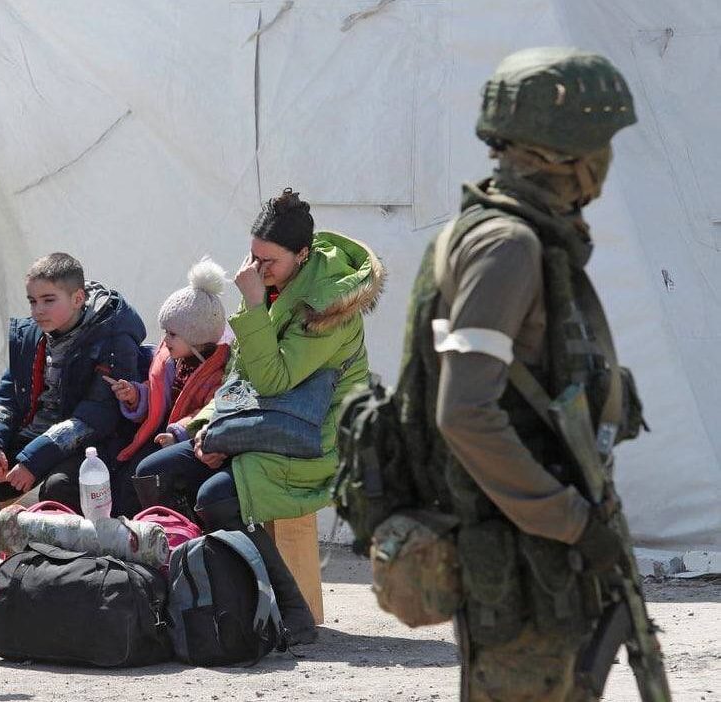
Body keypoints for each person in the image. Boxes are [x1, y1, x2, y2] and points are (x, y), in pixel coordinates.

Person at [396, 48, 649, 700]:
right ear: (570, 153)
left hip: (531, 561)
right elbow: (464, 413)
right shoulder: (507, 244)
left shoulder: (507, 233)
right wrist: (570, 520)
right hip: (518, 568)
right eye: (603, 144)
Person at [136, 189, 382, 645]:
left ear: (302, 255)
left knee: (217, 499)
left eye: (268, 260)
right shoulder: (275, 288)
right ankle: (204, 597)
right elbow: (240, 381)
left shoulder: (329, 307)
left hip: (316, 441)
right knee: (153, 475)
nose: (255, 269)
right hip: (260, 424)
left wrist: (251, 307)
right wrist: (190, 427)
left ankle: (291, 611)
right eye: (252, 256)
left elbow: (272, 380)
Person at [0, 253, 145, 621]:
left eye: (49, 300)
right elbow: (7, 396)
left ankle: (55, 582)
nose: (38, 310)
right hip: (32, 440)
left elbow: (97, 415)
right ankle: (1, 577)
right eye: (32, 301)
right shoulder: (30, 335)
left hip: (88, 446)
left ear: (78, 298)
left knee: (60, 489)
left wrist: (33, 460)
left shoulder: (112, 335)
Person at [106, 259, 231, 516]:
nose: (165, 339)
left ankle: (161, 526)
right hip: (159, 436)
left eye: (173, 334)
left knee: (142, 475)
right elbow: (155, 396)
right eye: (166, 331)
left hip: (188, 442)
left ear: (196, 336)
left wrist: (177, 433)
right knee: (121, 473)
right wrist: (135, 394)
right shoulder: (170, 360)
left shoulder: (217, 372)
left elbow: (206, 412)